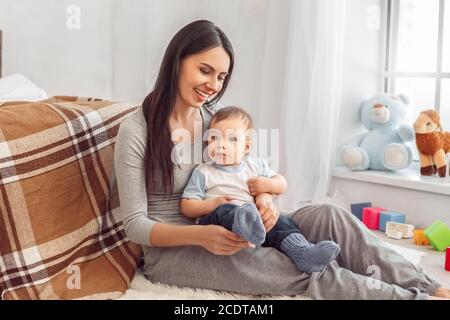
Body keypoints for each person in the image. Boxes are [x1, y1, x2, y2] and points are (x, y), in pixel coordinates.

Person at [114, 19, 449, 299]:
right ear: (177, 60)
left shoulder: (213, 121)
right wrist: (202, 236)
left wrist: (265, 198)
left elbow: (246, 172)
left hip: (234, 222)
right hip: (175, 251)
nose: (213, 85)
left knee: (330, 215)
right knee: (294, 267)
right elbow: (136, 226)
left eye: (221, 77)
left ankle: (428, 286)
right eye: (205, 70)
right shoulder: (137, 130)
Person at [180, 106, 341, 273]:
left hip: (255, 221)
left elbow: (282, 183)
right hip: (217, 224)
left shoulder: (255, 166)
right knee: (226, 209)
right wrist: (212, 204)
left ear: (247, 147)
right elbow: (187, 206)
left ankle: (303, 253)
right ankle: (246, 225)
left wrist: (268, 186)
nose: (221, 145)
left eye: (232, 139)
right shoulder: (204, 172)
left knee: (281, 221)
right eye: (214, 138)